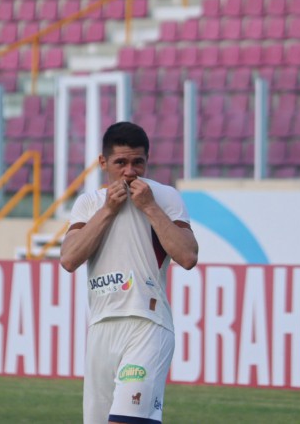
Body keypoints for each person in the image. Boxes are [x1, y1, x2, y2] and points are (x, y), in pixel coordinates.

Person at [60, 121, 199, 424]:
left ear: (147, 161)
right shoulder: (89, 204)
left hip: (147, 323)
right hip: (100, 328)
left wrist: (149, 207)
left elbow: (188, 255)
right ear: (103, 163)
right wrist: (108, 210)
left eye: (138, 162)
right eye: (120, 162)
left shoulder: (164, 197)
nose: (130, 171)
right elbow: (69, 259)